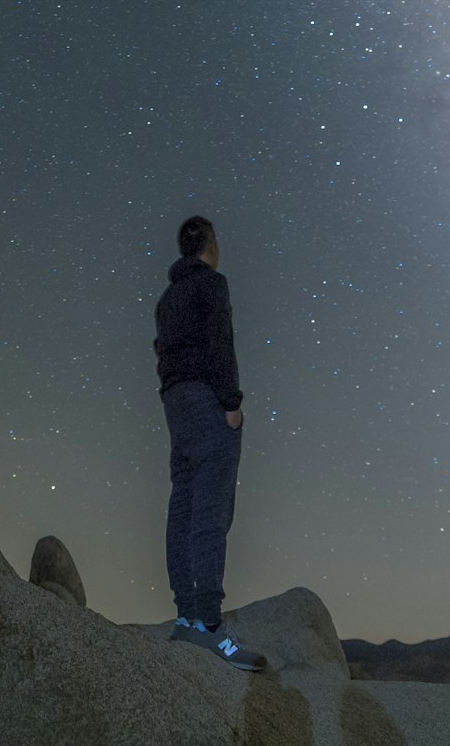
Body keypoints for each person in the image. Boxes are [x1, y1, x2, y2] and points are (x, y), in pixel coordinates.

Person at [153, 215, 266, 671]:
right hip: (206, 401)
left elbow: (162, 352)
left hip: (175, 404)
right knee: (211, 511)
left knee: (182, 506)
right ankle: (211, 626)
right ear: (209, 246)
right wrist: (232, 403)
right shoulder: (211, 285)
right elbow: (222, 342)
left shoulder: (166, 297)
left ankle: (185, 619)